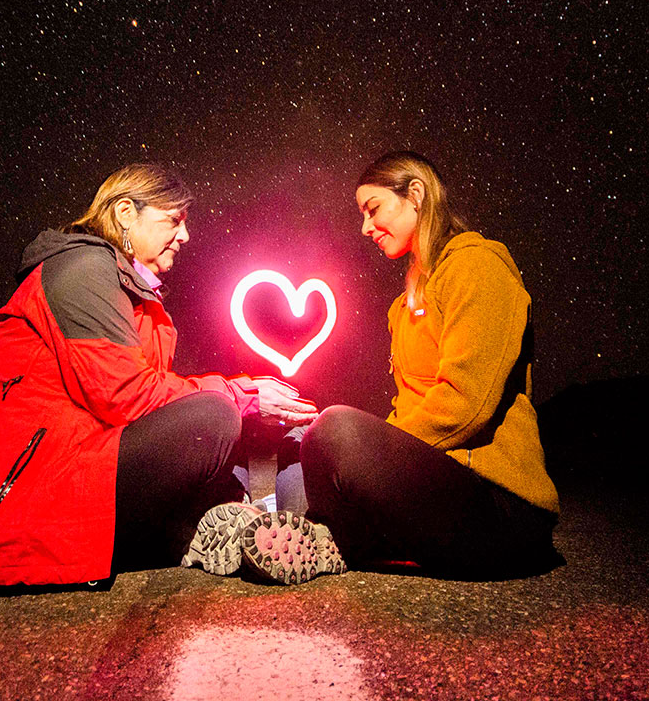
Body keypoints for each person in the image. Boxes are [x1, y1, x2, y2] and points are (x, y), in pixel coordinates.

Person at [0, 163, 317, 588]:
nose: (185, 235)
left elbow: (143, 396)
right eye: (173, 220)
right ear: (124, 212)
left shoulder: (123, 282)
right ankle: (203, 527)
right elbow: (125, 395)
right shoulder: (83, 270)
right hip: (31, 493)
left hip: (83, 460)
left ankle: (230, 521)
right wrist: (239, 394)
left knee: (235, 420)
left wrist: (242, 401)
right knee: (215, 415)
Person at [238, 151, 560, 583]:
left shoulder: (477, 265)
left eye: (373, 209)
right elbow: (409, 410)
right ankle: (297, 529)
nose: (365, 227)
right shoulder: (402, 306)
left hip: (497, 508)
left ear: (416, 195)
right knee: (302, 441)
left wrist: (364, 449)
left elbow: (467, 404)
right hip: (436, 496)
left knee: (336, 430)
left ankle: (328, 534)